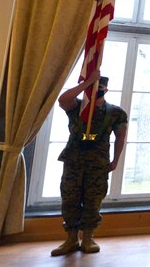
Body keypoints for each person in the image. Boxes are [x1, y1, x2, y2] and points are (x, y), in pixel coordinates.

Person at [50, 74, 128, 256]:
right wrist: (87, 82)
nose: (96, 91)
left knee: (93, 200)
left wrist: (115, 161)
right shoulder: (78, 106)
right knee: (70, 199)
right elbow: (63, 99)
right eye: (93, 88)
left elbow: (121, 138)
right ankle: (70, 239)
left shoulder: (116, 112)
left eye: (99, 88)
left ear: (105, 89)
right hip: (74, 161)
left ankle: (87, 237)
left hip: (98, 163)